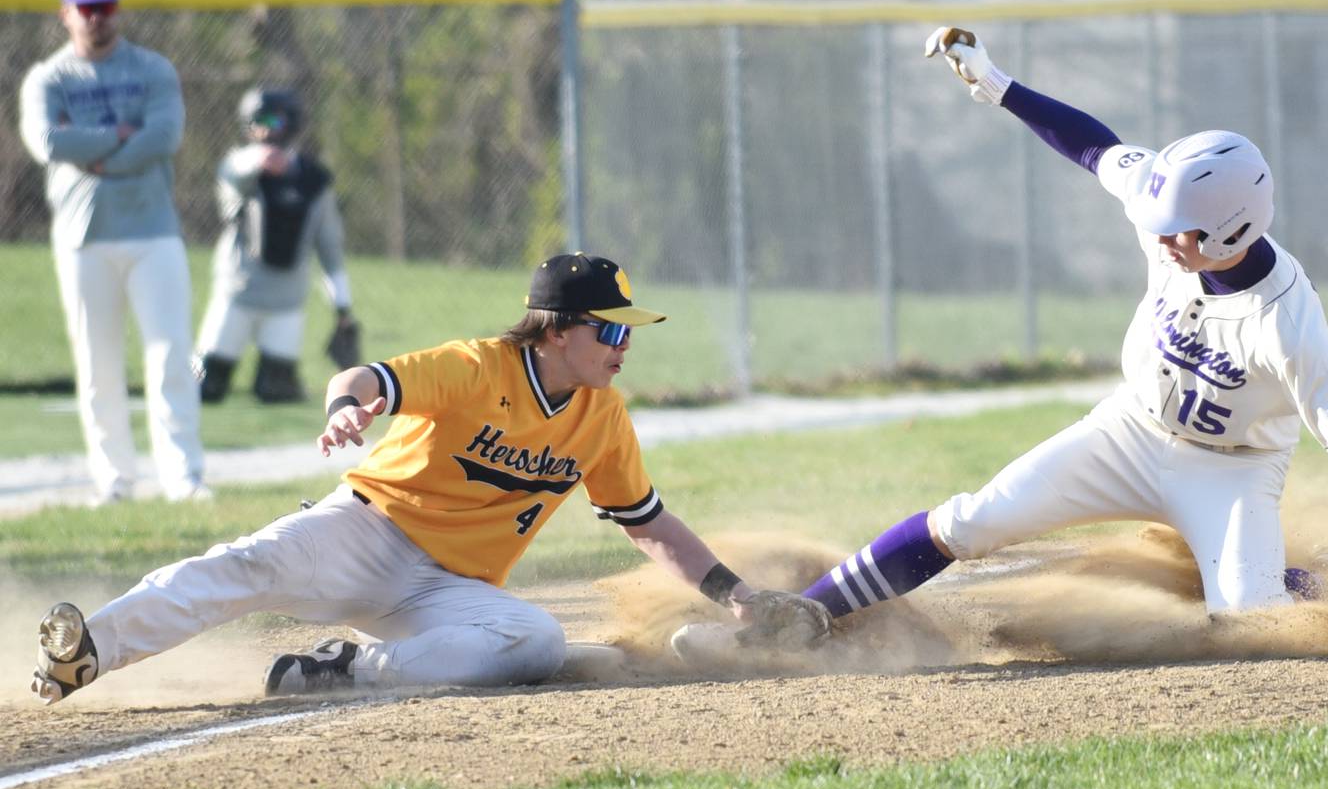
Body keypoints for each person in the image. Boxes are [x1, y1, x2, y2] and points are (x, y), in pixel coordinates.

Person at [675, 26, 1328, 663]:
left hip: (1232, 472)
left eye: (1181, 228)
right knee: (971, 518)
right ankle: (800, 616)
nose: (1162, 235)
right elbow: (1095, 147)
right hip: (1129, 433)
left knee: (1252, 624)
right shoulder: (1170, 214)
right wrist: (995, 83)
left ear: (1233, 230)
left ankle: (1313, 581)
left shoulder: (1286, 322)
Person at [31, 253, 832, 703]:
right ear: (557, 331)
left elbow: (649, 524)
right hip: (367, 532)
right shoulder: (476, 366)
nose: (625, 343)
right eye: (610, 327)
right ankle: (87, 649)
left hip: (447, 588)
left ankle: (343, 669)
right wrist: (349, 410)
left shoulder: (602, 415)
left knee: (535, 637)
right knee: (245, 564)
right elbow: (365, 376)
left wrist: (739, 597)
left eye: (629, 329)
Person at [18, 0, 206, 504]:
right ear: (66, 13)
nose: (96, 18)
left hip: (153, 230)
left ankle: (184, 477)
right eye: (86, 8)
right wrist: (120, 136)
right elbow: (49, 142)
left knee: (171, 356)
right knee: (98, 366)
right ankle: (115, 479)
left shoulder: (151, 69)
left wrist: (95, 150)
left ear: (116, 10)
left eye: (104, 7)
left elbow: (164, 136)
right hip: (83, 236)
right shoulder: (49, 78)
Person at [194, 86, 359, 404]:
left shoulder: (314, 180)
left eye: (276, 121)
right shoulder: (239, 168)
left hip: (286, 300)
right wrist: (257, 161)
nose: (267, 129)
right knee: (204, 383)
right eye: (259, 121)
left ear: (293, 125)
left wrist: (342, 309)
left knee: (277, 389)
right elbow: (233, 173)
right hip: (238, 292)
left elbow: (330, 247)